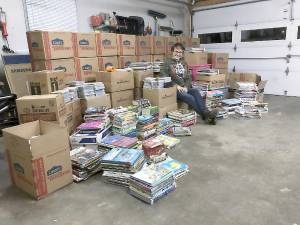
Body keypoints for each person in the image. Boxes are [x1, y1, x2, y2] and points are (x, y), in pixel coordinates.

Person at [160, 42, 217, 125]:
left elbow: (188, 77)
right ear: (172, 51)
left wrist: (186, 86)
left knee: (196, 91)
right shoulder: (166, 63)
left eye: (180, 52)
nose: (178, 54)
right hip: (173, 89)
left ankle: (206, 115)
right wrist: (176, 86)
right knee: (189, 97)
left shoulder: (184, 63)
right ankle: (206, 115)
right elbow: (164, 78)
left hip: (184, 87)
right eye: (176, 51)